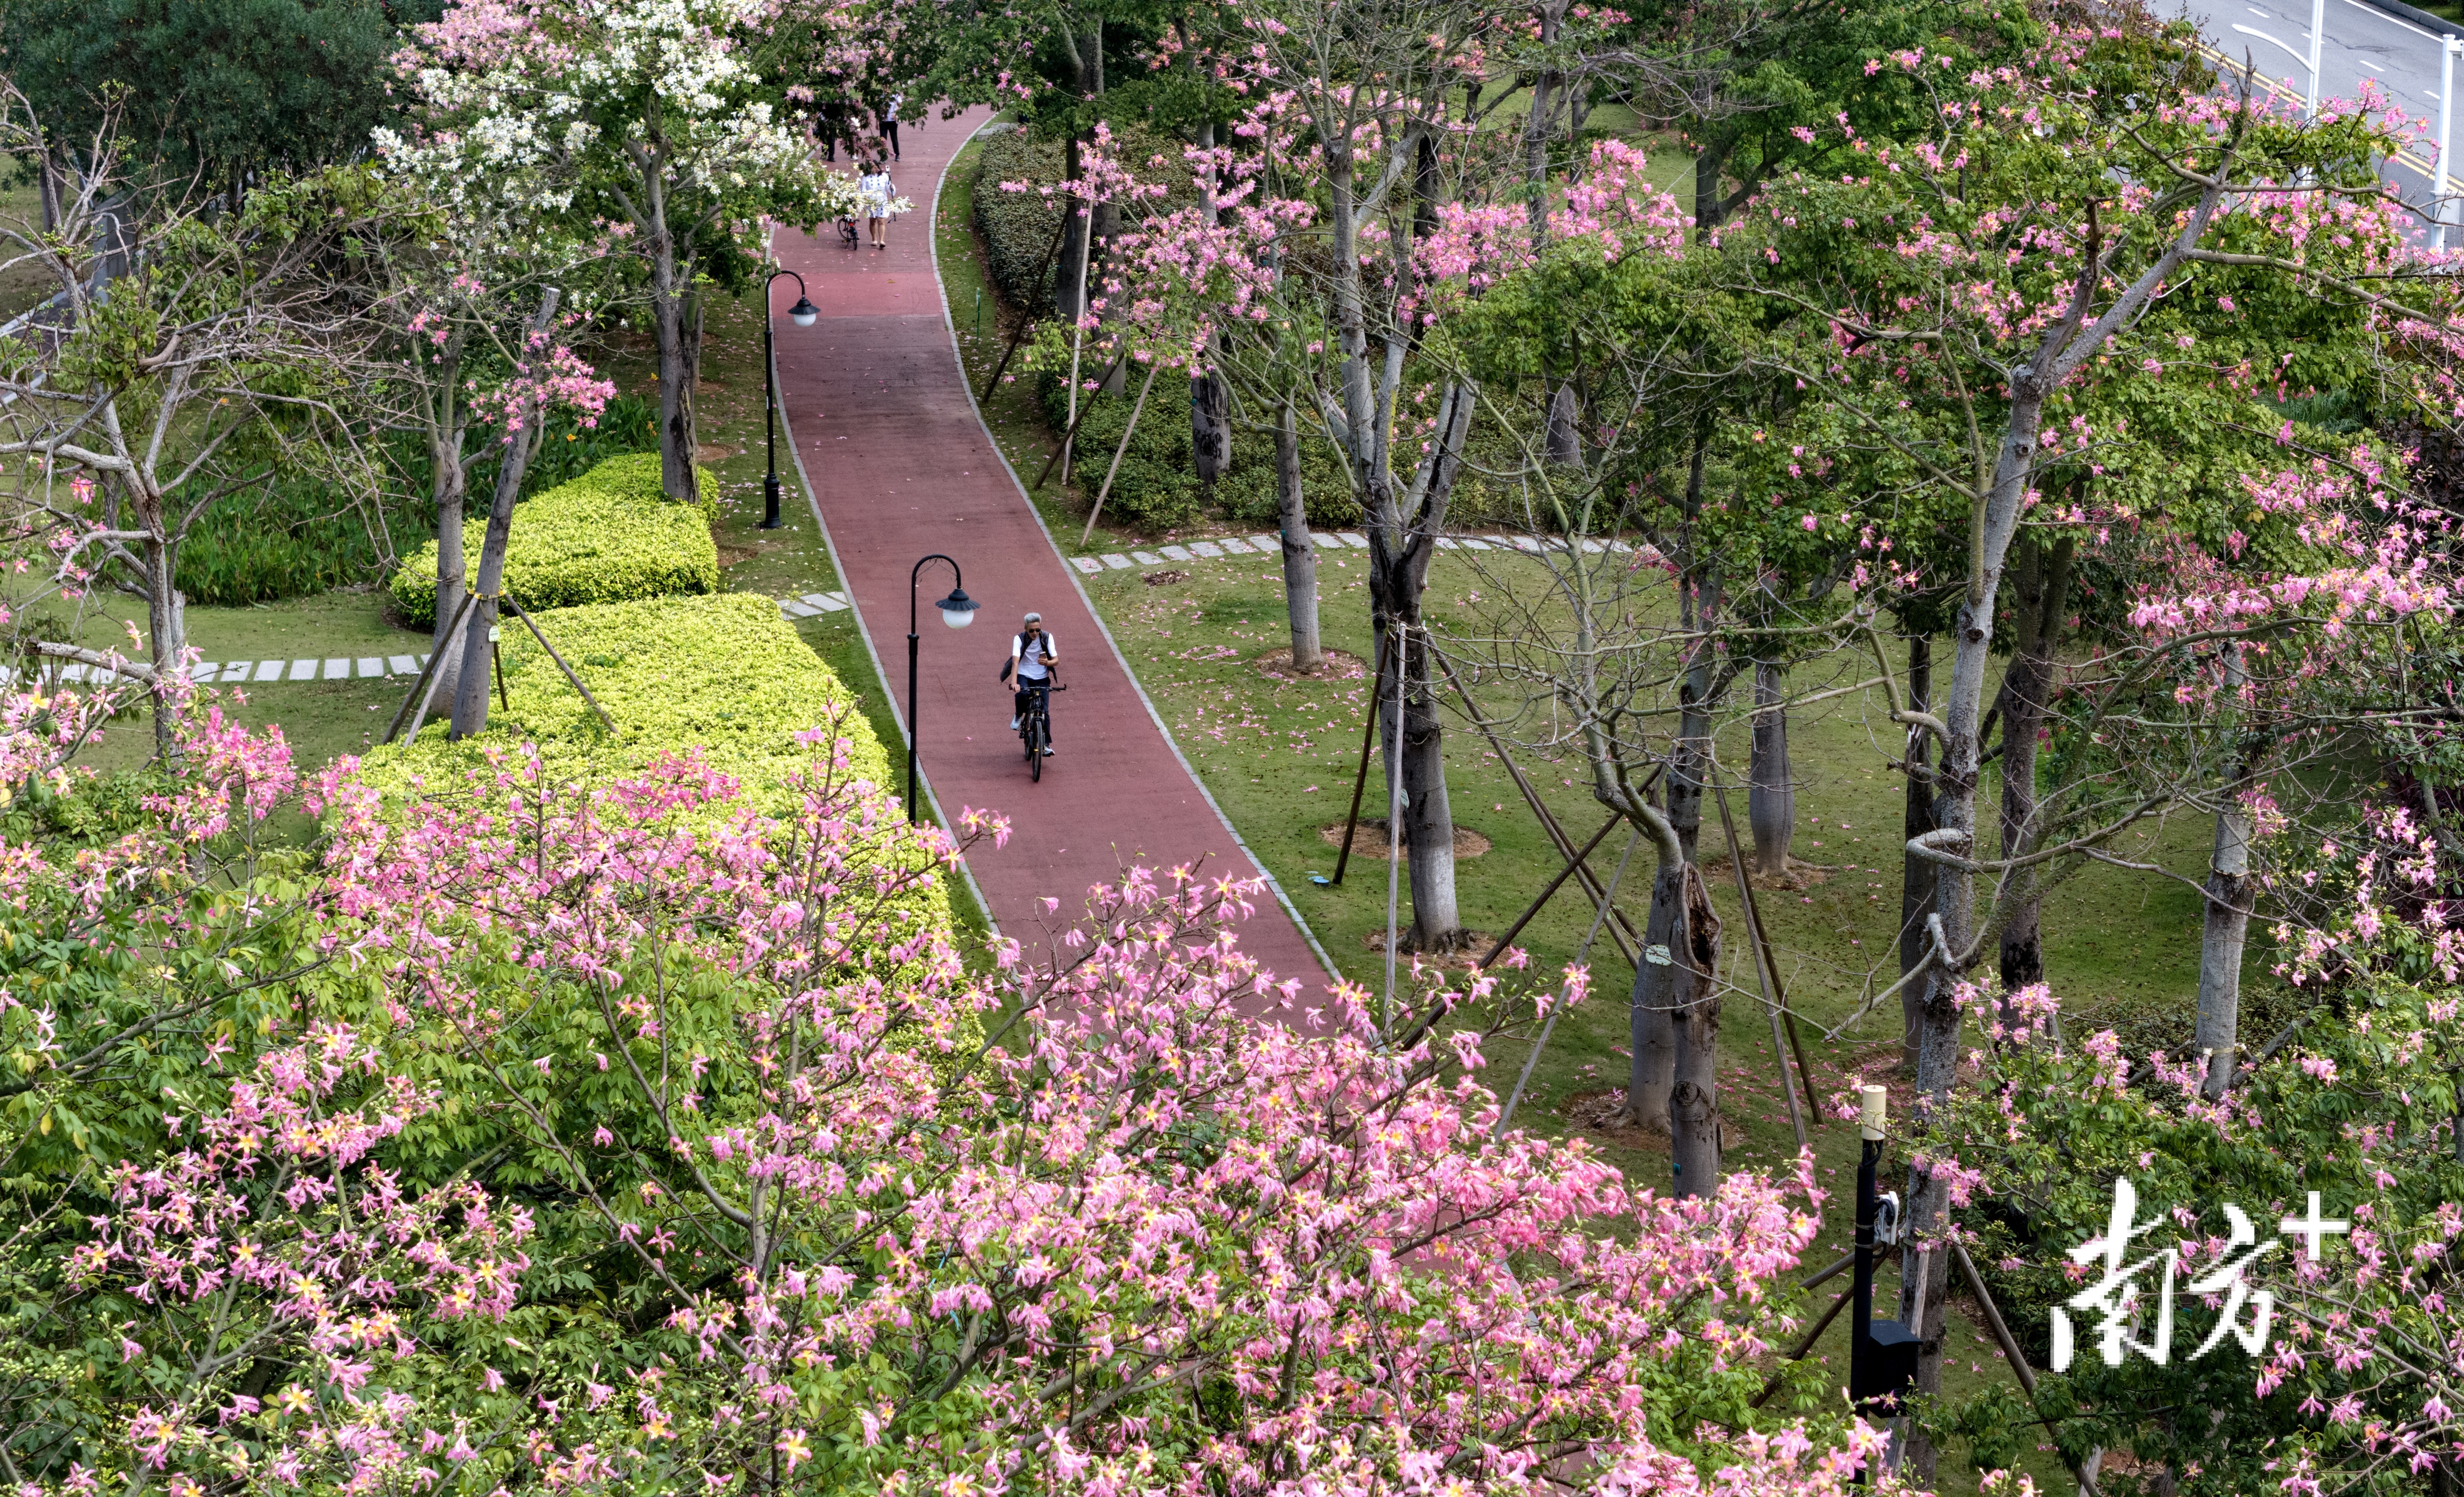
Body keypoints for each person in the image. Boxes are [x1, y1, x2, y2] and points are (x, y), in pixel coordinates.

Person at [1006, 612, 1059, 752]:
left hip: (1042, 677)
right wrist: (1014, 683)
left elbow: (1056, 660)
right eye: (1031, 631)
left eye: (1038, 630)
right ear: (1025, 628)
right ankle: (1018, 715)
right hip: (1024, 674)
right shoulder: (1019, 639)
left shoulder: (1048, 637)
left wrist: (1048, 662)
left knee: (1045, 711)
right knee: (1022, 694)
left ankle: (1046, 745)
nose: (1035, 633)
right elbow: (1016, 662)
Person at [858, 147, 895, 250]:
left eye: (874, 167)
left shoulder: (884, 176)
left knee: (881, 221)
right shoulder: (865, 178)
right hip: (871, 202)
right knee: (873, 221)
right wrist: (865, 197)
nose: (873, 169)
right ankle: (874, 238)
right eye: (871, 167)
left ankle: (882, 240)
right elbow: (863, 190)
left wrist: (892, 188)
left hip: (882, 201)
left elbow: (888, 188)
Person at [882, 94, 902, 161]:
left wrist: (896, 113)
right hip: (883, 121)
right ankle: (883, 157)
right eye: (884, 86)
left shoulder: (895, 96)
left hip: (893, 121)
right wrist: (877, 122)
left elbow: (901, 106)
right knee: (883, 139)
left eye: (886, 86)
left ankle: (897, 155)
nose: (885, 89)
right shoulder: (881, 96)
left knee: (894, 138)